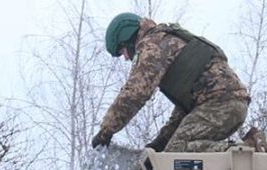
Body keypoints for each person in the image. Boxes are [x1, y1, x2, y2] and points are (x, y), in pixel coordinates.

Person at [92, 12, 256, 153]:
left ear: (127, 38)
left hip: (222, 104)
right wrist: (160, 143)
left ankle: (250, 147)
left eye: (123, 51)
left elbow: (135, 93)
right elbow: (184, 110)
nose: (127, 58)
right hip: (226, 103)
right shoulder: (165, 40)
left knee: (178, 150)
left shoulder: (152, 45)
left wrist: (106, 131)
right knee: (170, 152)